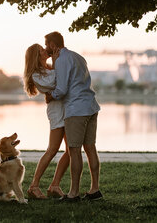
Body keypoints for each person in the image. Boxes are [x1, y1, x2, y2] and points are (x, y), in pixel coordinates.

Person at [44, 31, 103, 202]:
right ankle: (95, 190)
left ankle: (73, 193)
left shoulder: (62, 60)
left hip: (76, 110)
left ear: (53, 45)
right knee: (91, 148)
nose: (46, 48)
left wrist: (50, 95)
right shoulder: (78, 57)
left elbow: (61, 90)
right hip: (91, 106)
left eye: (47, 45)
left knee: (74, 151)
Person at [23, 43, 70, 199]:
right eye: (42, 50)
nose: (46, 51)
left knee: (71, 150)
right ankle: (33, 186)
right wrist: (57, 63)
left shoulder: (50, 67)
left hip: (67, 110)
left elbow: (64, 82)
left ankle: (54, 185)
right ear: (37, 56)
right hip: (57, 112)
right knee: (52, 149)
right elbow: (55, 82)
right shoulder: (36, 74)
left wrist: (56, 64)